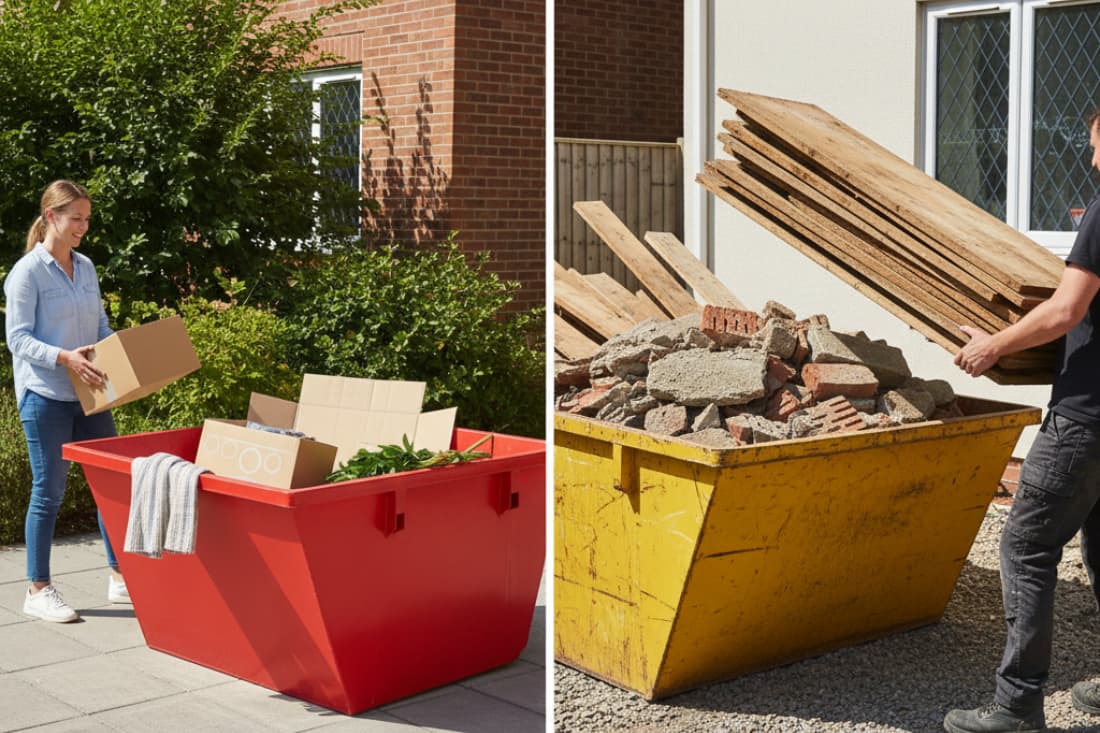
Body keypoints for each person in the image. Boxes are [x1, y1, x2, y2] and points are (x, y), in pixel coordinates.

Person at [944, 109, 1100, 732]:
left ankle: (1016, 706)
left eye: (1097, 146)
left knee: (1027, 546)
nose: (1092, 160)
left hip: (1084, 418)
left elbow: (1065, 309)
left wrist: (995, 347)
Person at [4, 180, 129, 623]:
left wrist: (125, 353)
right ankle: (38, 588)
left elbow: (98, 322)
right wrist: (64, 357)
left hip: (91, 392)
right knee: (49, 492)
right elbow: (17, 339)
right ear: (51, 217)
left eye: (87, 219)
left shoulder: (87, 267)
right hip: (46, 395)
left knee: (110, 488)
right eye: (76, 218)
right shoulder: (27, 273)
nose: (83, 227)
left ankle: (119, 577)